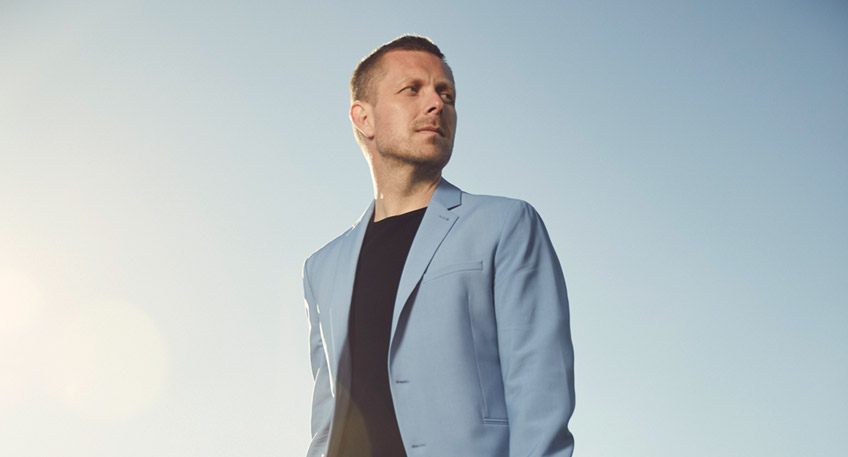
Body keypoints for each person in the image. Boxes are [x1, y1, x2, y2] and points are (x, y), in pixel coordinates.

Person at [302, 35, 575, 457]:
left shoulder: (505, 224)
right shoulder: (322, 267)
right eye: (412, 89)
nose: (436, 104)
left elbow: (539, 393)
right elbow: (326, 418)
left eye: (446, 94)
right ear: (364, 118)